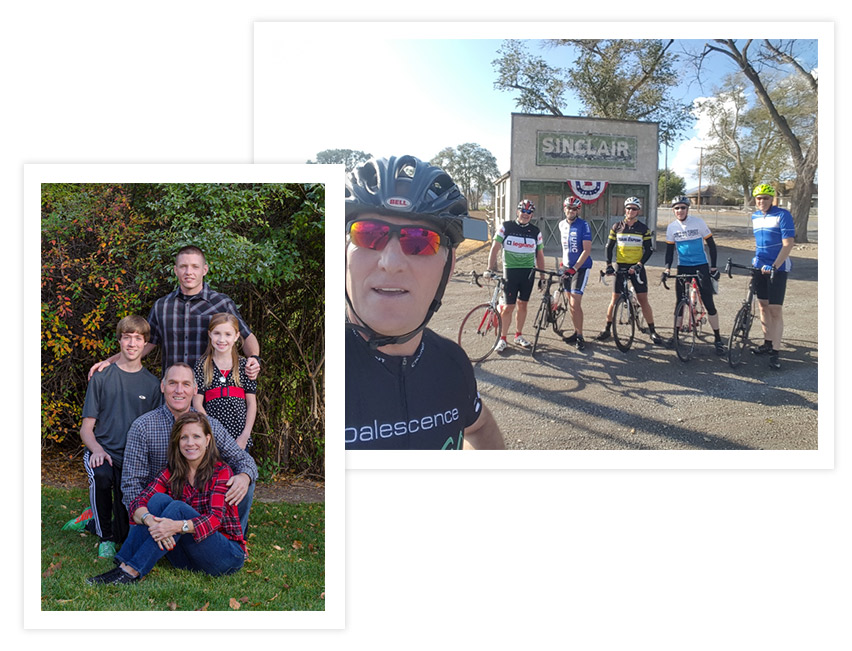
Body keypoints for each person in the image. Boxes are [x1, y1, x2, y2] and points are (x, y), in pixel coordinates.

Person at [345, 154, 504, 450]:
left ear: (449, 265)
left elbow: (479, 427)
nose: (391, 262)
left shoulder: (453, 363)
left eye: (420, 241)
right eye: (368, 235)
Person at [87, 411, 246, 585]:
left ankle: (130, 571)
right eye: (184, 437)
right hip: (188, 557)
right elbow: (138, 503)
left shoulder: (221, 472)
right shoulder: (172, 471)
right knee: (157, 501)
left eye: (196, 436)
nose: (190, 443)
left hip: (226, 556)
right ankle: (123, 564)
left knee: (178, 509)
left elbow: (215, 519)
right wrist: (151, 522)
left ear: (207, 440)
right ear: (177, 442)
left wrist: (176, 526)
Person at [65, 316, 162, 559]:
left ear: (145, 343)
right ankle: (104, 538)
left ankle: (91, 519)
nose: (131, 343)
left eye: (137, 338)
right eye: (126, 337)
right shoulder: (101, 377)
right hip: (104, 452)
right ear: (119, 340)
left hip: (131, 460)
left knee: (124, 531)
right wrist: (97, 450)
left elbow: (152, 431)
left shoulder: (152, 385)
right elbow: (86, 429)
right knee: (101, 476)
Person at [87, 245, 261, 381]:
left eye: (194, 267)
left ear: (204, 270)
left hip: (210, 390)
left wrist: (254, 358)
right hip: (174, 392)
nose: (189, 272)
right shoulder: (162, 306)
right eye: (183, 267)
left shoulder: (221, 303)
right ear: (175, 270)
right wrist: (110, 362)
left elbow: (246, 336)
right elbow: (144, 344)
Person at [121, 363, 258, 534]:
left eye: (186, 384)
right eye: (172, 383)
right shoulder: (143, 427)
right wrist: (143, 517)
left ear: (195, 389)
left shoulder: (208, 425)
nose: (179, 390)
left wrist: (244, 477)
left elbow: (244, 460)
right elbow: (131, 484)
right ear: (163, 387)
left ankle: (234, 535)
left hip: (201, 506)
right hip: (160, 506)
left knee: (244, 482)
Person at [596, 197, 664, 345]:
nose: (630, 211)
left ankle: (652, 331)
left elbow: (649, 250)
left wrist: (639, 264)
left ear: (638, 211)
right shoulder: (616, 226)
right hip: (621, 266)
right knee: (614, 299)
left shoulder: (643, 228)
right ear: (625, 210)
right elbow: (609, 247)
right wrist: (609, 265)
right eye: (628, 208)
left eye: (634, 209)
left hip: (637, 267)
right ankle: (607, 328)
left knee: (643, 300)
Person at [663, 196, 726, 355]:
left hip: (701, 266)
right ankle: (676, 335)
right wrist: (667, 269)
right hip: (683, 266)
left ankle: (718, 339)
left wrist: (713, 267)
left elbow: (711, 245)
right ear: (673, 210)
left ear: (687, 209)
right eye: (677, 208)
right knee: (680, 303)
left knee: (708, 302)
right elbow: (669, 251)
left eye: (683, 207)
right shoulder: (671, 227)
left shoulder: (698, 222)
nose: (680, 211)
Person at [487, 199, 546, 352]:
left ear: (532, 214)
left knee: (523, 305)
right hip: (510, 271)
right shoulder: (507, 227)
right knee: (508, 307)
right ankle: (503, 338)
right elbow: (495, 248)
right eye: (523, 211)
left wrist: (543, 278)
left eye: (529, 212)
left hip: (528, 272)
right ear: (517, 211)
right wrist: (489, 269)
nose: (525, 214)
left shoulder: (535, 231)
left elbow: (540, 255)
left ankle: (518, 335)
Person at [192, 313, 257, 451]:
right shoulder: (202, 365)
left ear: (236, 336)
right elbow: (197, 402)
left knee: (239, 471)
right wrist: (212, 431)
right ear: (210, 334)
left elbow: (251, 403)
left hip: (239, 437)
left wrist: (245, 435)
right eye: (217, 333)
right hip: (214, 436)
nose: (222, 339)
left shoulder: (245, 366)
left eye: (228, 334)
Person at [749, 183, 795, 369]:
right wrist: (757, 259)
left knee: (775, 310)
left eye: (766, 198)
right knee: (762, 306)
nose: (762, 201)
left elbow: (788, 243)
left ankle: (775, 351)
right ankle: (767, 343)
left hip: (778, 267)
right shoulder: (755, 216)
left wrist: (774, 265)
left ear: (772, 199)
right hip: (760, 266)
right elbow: (760, 244)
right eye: (759, 198)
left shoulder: (782, 215)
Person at [558, 196, 593, 351]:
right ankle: (575, 331)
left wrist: (575, 267)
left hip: (581, 267)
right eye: (568, 208)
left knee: (574, 303)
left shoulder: (583, 225)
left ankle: (580, 336)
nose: (571, 211)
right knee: (570, 303)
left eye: (574, 208)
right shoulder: (561, 225)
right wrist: (563, 263)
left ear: (578, 210)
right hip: (566, 267)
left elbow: (586, 250)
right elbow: (565, 247)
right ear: (564, 208)